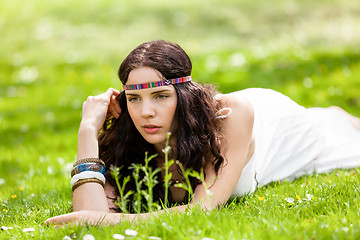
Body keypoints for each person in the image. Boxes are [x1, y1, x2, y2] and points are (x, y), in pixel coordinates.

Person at [45, 40, 360, 226]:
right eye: (134, 99)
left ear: (183, 96)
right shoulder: (128, 133)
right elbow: (88, 215)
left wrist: (112, 220)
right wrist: (87, 132)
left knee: (334, 131)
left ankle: (336, 117)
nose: (146, 113)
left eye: (161, 96)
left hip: (281, 130)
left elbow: (202, 210)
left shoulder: (229, 117)